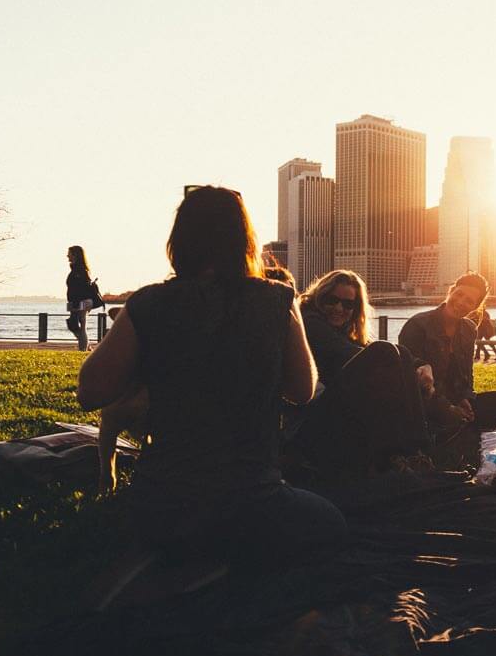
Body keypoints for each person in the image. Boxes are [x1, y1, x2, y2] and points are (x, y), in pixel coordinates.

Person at [77, 186, 346, 582]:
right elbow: (302, 389)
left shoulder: (148, 304)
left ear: (178, 241)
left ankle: (196, 564)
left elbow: (90, 392)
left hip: (163, 508)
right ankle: (232, 563)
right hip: (251, 503)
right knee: (332, 524)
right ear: (245, 240)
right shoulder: (277, 300)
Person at [291, 269, 434, 475]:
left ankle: (413, 450)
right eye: (332, 300)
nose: (339, 308)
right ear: (320, 297)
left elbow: (370, 348)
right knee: (385, 352)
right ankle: (413, 450)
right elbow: (354, 353)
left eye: (348, 304)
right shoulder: (311, 323)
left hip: (335, 411)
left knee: (396, 352)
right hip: (311, 418)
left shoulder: (341, 332)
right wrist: (406, 369)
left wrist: (422, 365)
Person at [398, 272, 496, 437]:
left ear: (475, 307)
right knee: (426, 416)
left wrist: (465, 398)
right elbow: (410, 379)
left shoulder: (469, 329)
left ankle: (455, 424)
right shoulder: (418, 324)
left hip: (452, 398)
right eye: (459, 294)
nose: (460, 302)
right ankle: (450, 425)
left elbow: (467, 374)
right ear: (451, 291)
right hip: (423, 400)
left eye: (469, 301)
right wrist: (447, 409)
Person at [65, 245, 95, 351]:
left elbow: (81, 288)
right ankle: (86, 345)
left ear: (75, 255)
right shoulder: (76, 269)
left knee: (81, 324)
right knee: (73, 324)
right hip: (75, 301)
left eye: (69, 253)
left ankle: (83, 348)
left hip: (81, 301)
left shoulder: (81, 271)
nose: (67, 256)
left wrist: (76, 303)